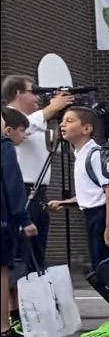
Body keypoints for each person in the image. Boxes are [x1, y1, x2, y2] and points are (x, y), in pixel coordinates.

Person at [43, 107, 109, 337]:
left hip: (103, 216)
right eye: (62, 121)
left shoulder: (95, 154)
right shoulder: (80, 154)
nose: (63, 125)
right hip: (95, 214)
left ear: (87, 128)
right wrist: (65, 202)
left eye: (70, 121)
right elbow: (90, 193)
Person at [2, 76, 74, 271]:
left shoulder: (37, 122)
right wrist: (52, 108)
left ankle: (35, 296)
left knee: (37, 251)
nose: (38, 98)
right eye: (33, 92)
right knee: (22, 253)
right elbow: (25, 125)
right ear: (18, 93)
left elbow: (52, 145)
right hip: (21, 192)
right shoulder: (7, 117)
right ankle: (18, 298)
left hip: (39, 193)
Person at [1, 110, 39, 337]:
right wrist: (24, 219)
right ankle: (3, 328)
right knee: (2, 270)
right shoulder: (4, 146)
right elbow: (12, 184)